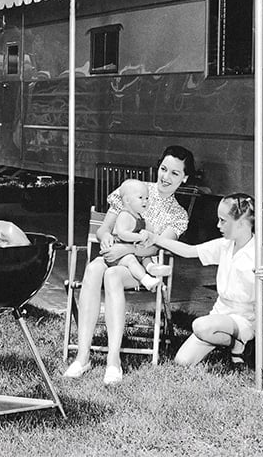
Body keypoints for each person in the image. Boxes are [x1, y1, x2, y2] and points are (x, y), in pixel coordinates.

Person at [64, 145, 195, 385]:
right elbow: (105, 227)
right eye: (164, 169)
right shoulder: (134, 190)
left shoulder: (178, 215)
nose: (166, 177)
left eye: (175, 173)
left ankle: (113, 360)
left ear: (184, 178)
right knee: (94, 268)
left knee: (113, 275)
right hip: (114, 254)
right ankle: (82, 356)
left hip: (143, 265)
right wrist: (104, 235)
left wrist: (126, 249)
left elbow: (156, 247)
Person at [144, 193, 263, 368]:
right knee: (182, 362)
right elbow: (189, 251)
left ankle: (242, 342)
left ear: (240, 223)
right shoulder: (224, 245)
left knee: (200, 326)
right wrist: (156, 239)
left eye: (223, 221)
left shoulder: (260, 252)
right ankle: (234, 344)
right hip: (219, 313)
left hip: (244, 320)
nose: (218, 225)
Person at [98, 179, 158, 290]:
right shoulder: (124, 215)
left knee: (146, 256)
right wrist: (139, 237)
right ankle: (146, 279)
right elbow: (122, 234)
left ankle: (151, 268)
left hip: (133, 251)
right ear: (127, 200)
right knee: (131, 260)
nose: (145, 201)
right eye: (140, 198)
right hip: (117, 255)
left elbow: (151, 230)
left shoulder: (139, 216)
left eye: (147, 198)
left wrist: (149, 233)